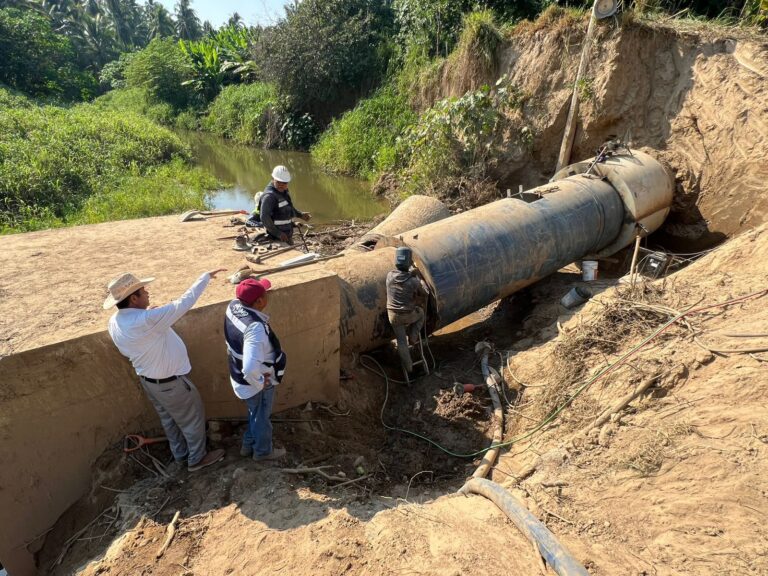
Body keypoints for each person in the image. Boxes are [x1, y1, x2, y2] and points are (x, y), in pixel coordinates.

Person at [104, 270, 227, 472]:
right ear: (134, 298)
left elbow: (144, 329)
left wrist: (150, 315)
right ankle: (197, 459)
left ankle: (179, 456)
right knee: (192, 419)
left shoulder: (116, 321)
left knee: (169, 421)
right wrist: (203, 277)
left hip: (150, 382)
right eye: (143, 291)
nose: (147, 293)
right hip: (171, 384)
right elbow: (183, 303)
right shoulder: (147, 320)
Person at [224, 278, 287, 461]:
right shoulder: (255, 328)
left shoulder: (233, 306)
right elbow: (250, 368)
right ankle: (263, 452)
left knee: (255, 413)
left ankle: (247, 445)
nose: (268, 296)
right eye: (265, 294)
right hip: (254, 383)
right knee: (261, 418)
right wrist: (260, 382)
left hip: (238, 377)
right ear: (259, 301)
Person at [386, 247, 428, 374]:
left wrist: (410, 274)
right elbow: (425, 292)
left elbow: (400, 279)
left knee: (401, 341)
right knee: (421, 314)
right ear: (409, 262)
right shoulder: (413, 281)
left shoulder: (390, 276)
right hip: (407, 315)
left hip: (392, 315)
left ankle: (409, 368)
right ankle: (414, 336)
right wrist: (419, 276)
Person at [258, 165, 311, 243]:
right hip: (276, 237)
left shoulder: (283, 191)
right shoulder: (269, 196)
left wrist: (300, 215)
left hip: (286, 233)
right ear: (273, 179)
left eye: (284, 183)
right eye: (279, 182)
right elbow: (264, 217)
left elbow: (288, 207)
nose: (282, 185)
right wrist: (278, 233)